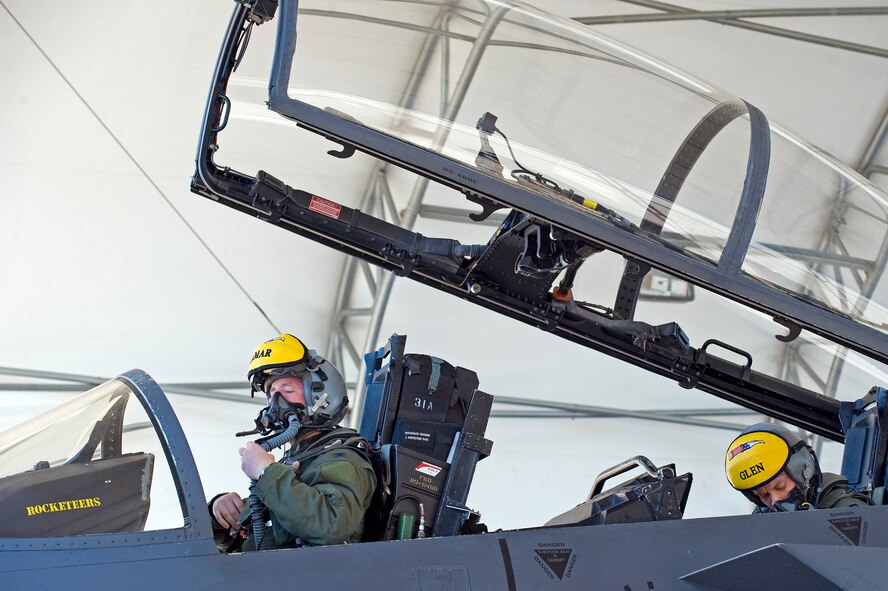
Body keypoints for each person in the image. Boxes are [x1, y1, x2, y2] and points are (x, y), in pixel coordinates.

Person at [209, 333, 377, 551]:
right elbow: (237, 538)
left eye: (287, 390)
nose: (275, 403)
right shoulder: (295, 464)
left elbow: (332, 524)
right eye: (272, 393)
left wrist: (265, 472)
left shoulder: (341, 458)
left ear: (320, 397)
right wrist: (219, 510)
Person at [725, 422, 872, 512]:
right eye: (763, 495)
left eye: (779, 486)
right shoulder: (761, 524)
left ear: (802, 469)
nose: (775, 500)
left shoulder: (851, 513)